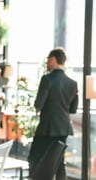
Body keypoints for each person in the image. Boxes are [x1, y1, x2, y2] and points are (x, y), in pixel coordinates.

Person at [27, 47, 78, 180]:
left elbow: (38, 104)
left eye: (48, 60)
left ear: (53, 59)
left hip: (47, 128)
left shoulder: (47, 79)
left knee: (35, 157)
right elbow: (73, 109)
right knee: (59, 162)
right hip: (63, 129)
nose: (47, 63)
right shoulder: (73, 83)